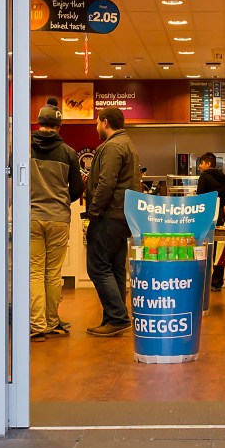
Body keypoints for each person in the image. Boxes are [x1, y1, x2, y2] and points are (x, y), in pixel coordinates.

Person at [29, 99, 83, 340]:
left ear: (38, 122)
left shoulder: (24, 147)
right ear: (59, 126)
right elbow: (77, 188)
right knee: (53, 272)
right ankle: (51, 322)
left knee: (34, 271)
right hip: (59, 218)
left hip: (31, 216)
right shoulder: (68, 152)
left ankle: (37, 325)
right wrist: (60, 201)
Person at [84, 107, 140, 337]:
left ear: (105, 122)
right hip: (123, 216)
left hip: (109, 216)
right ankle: (113, 318)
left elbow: (106, 183)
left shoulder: (113, 146)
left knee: (97, 266)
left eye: (97, 123)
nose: (97, 127)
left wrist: (93, 211)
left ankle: (117, 316)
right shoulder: (128, 144)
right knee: (115, 267)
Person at [195, 152, 225, 292]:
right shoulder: (224, 179)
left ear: (208, 164)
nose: (200, 166)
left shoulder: (204, 177)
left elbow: (200, 198)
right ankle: (217, 283)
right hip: (221, 219)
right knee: (219, 250)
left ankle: (202, 281)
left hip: (207, 218)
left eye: (201, 163)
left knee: (204, 249)